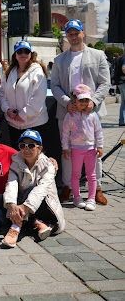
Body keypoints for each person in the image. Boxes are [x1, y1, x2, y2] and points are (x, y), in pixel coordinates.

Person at [51, 19, 110, 204]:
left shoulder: (98, 55)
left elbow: (105, 82)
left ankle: (97, 187)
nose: (74, 36)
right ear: (66, 36)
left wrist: (93, 100)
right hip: (68, 112)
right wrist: (66, 102)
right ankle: (68, 186)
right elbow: (55, 85)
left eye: (76, 33)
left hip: (92, 112)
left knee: (94, 150)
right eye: (70, 34)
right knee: (67, 150)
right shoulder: (59, 59)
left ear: (82, 33)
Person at [2, 129, 66, 248]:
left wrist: (24, 207)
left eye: (31, 145)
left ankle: (16, 227)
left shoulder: (48, 165)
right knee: (3, 199)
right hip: (26, 206)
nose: (26, 149)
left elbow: (41, 190)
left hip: (45, 206)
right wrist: (11, 205)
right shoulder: (16, 162)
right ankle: (38, 224)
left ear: (39, 148)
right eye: (22, 145)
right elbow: (11, 184)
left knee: (32, 189)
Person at [0, 39, 48, 148]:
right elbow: (2, 93)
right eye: (20, 51)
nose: (23, 54)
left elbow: (38, 98)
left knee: (33, 155)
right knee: (17, 155)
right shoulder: (9, 72)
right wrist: (7, 109)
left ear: (31, 54)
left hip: (34, 123)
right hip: (13, 124)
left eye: (26, 51)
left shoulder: (37, 71)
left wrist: (23, 114)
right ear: (15, 55)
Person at [61, 84, 103, 211]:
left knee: (92, 175)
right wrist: (65, 147)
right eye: (81, 100)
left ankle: (91, 198)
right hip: (76, 149)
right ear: (74, 100)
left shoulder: (93, 115)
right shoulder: (70, 116)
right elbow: (65, 133)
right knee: (75, 174)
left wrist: (100, 146)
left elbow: (98, 132)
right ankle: (77, 197)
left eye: (86, 100)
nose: (84, 103)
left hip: (90, 149)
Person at [111, 52, 125, 126]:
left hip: (120, 82)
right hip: (124, 82)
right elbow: (124, 68)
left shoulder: (120, 58)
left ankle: (122, 120)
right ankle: (123, 120)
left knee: (123, 101)